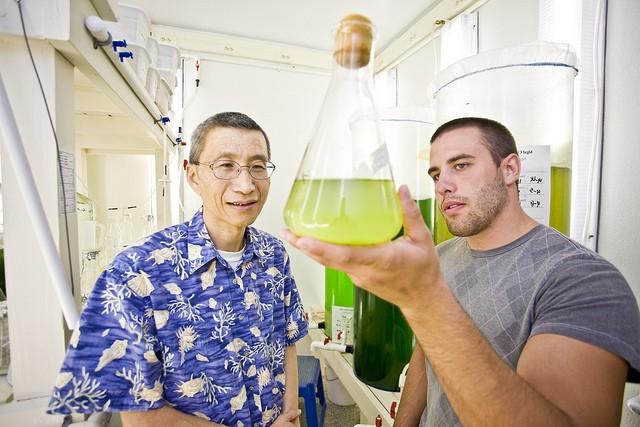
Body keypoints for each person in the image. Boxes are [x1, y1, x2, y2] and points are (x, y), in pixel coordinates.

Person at [283, 117, 640, 426]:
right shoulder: (441, 258)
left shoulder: (583, 280)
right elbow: (425, 359)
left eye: (461, 165)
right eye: (436, 173)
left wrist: (424, 299)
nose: (443, 185)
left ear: (510, 169)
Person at [48, 112, 308, 427]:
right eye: (226, 166)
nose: (246, 184)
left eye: (257, 166)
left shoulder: (274, 255)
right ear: (193, 175)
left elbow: (288, 341)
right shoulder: (136, 271)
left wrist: (289, 415)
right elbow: (140, 417)